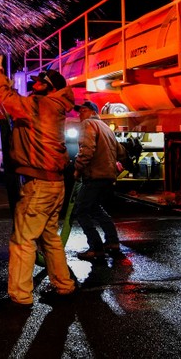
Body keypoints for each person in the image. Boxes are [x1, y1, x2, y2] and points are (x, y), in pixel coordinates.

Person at [0, 56, 77, 307]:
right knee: (50, 238)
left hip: (39, 186)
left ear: (49, 86)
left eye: (39, 83)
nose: (34, 85)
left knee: (23, 241)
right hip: (53, 184)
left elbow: (7, 98)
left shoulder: (41, 105)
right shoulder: (53, 106)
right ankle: (64, 285)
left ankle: (20, 297)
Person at [71, 100, 123, 261]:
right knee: (95, 208)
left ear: (93, 112)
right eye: (79, 111)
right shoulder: (106, 127)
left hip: (94, 175)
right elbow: (120, 151)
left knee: (80, 210)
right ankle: (112, 242)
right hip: (107, 175)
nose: (80, 114)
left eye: (83, 110)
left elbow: (87, 149)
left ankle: (96, 248)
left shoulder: (89, 124)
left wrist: (78, 168)